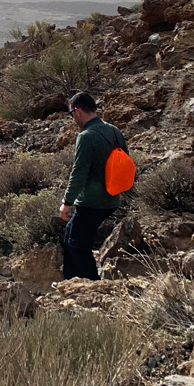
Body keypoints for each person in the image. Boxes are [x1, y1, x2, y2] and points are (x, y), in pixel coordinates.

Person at [59, 92, 127, 281]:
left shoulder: (86, 137)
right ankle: (69, 281)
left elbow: (78, 174)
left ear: (78, 111)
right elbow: (125, 161)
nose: (72, 119)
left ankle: (89, 283)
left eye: (71, 114)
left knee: (77, 244)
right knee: (71, 234)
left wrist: (67, 202)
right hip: (112, 198)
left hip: (92, 202)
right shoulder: (114, 130)